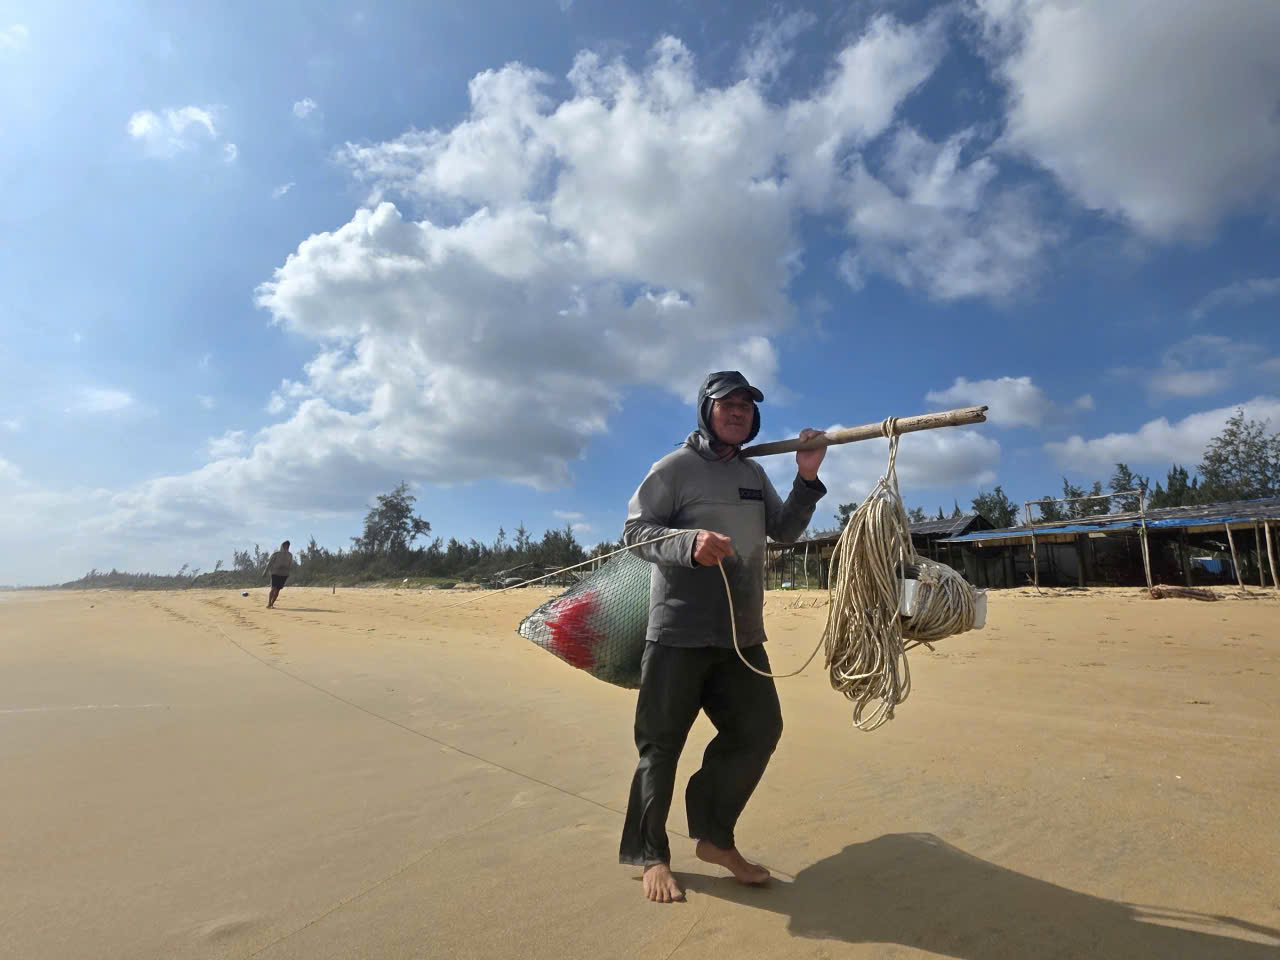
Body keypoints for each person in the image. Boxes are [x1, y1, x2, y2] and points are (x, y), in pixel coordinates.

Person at [619, 370, 827, 903]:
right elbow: (636, 532)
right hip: (677, 634)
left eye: (746, 406)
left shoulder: (755, 474)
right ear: (705, 410)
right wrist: (688, 542)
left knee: (759, 730)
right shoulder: (675, 468)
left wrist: (806, 477)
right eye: (727, 404)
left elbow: (784, 530)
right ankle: (651, 855)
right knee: (660, 748)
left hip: (740, 636)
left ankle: (713, 837)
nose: (737, 412)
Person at [263, 540, 293, 609]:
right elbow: (269, 563)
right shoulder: (276, 554)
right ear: (282, 546)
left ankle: (272, 604)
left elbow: (290, 565)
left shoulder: (290, 555)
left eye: (288, 545)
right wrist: (265, 571)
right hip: (275, 573)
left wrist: (288, 573)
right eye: (285, 545)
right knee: (273, 588)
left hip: (284, 575)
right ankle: (269, 603)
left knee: (278, 590)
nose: (287, 547)